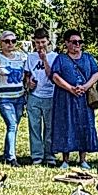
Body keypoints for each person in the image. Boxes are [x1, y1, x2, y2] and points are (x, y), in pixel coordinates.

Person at [48, 31, 98, 166]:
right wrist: (70, 88)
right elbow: (55, 76)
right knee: (65, 125)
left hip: (84, 99)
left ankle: (83, 159)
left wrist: (86, 86)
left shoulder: (88, 58)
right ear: (66, 43)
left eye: (79, 42)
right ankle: (65, 159)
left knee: (85, 125)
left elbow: (96, 73)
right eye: (74, 42)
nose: (77, 44)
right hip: (65, 98)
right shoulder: (61, 59)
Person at [0, 30, 33, 165]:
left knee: (14, 125)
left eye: (13, 41)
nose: (10, 44)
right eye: (7, 41)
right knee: (12, 125)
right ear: (1, 43)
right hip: (4, 97)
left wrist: (28, 84)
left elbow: (27, 74)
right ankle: (11, 157)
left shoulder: (22, 57)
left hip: (19, 96)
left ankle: (7, 152)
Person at [23, 28, 60, 166]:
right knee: (34, 126)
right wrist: (28, 82)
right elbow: (26, 75)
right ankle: (36, 155)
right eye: (37, 42)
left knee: (50, 127)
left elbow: (52, 76)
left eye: (43, 42)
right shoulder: (31, 57)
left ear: (48, 41)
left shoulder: (55, 57)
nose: (40, 45)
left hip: (50, 95)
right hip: (34, 96)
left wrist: (44, 59)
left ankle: (50, 154)